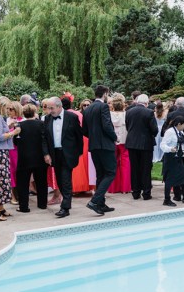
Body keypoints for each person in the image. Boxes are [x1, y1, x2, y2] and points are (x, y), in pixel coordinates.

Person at [44, 97, 83, 218]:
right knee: (60, 180)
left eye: (52, 108)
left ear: (59, 106)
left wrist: (78, 152)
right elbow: (44, 138)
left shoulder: (71, 117)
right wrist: (46, 154)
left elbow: (79, 136)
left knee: (65, 179)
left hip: (68, 153)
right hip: (54, 154)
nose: (50, 110)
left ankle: (65, 207)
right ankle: (66, 201)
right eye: (48, 108)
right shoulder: (47, 118)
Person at [84, 85, 118, 215]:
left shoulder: (88, 109)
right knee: (110, 172)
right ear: (104, 94)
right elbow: (107, 125)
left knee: (100, 174)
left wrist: (94, 138)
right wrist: (114, 137)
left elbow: (85, 130)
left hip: (93, 146)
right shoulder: (103, 106)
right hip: (105, 145)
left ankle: (100, 204)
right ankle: (95, 200)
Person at [161, 97, 184, 202]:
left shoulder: (171, 115)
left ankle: (177, 195)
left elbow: (164, 130)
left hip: (178, 147)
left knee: (177, 170)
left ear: (176, 104)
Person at [15, 104, 49, 213]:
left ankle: (24, 206)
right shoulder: (42, 124)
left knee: (23, 183)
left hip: (24, 157)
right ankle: (42, 204)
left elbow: (15, 141)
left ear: (23, 113)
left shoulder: (19, 125)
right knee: (42, 182)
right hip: (39, 157)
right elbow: (45, 140)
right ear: (34, 112)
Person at [125, 94, 158, 200]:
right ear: (146, 103)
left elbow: (127, 126)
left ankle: (135, 192)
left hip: (132, 143)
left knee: (134, 169)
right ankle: (146, 193)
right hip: (145, 144)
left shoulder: (129, 111)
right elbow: (154, 129)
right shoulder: (149, 112)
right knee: (146, 168)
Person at [160, 116, 184, 206]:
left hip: (178, 157)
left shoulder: (180, 132)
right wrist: (170, 149)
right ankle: (166, 199)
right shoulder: (170, 132)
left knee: (183, 175)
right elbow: (162, 145)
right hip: (170, 157)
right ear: (179, 124)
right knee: (169, 179)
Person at [107, 93, 131, 194]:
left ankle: (113, 188)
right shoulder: (127, 114)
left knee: (113, 164)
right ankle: (125, 188)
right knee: (126, 164)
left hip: (113, 140)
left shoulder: (109, 115)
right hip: (125, 140)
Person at [6, 101, 23, 205]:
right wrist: (9, 127)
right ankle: (12, 195)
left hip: (21, 148)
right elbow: (3, 134)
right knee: (12, 170)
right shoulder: (7, 121)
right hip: (11, 149)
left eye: (11, 109)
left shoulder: (23, 120)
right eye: (8, 109)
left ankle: (21, 194)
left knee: (21, 172)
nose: (9, 111)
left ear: (17, 109)